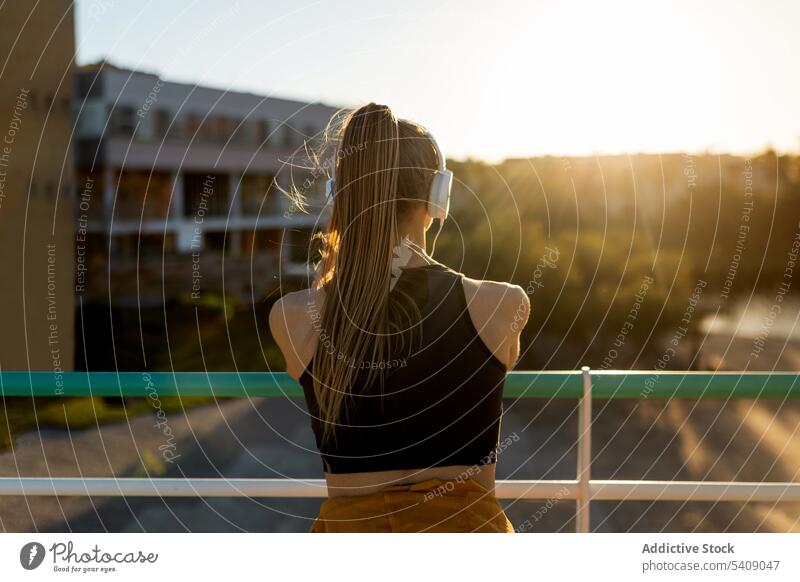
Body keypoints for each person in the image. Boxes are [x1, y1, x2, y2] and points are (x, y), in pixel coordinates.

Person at [269, 102, 529, 532]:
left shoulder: (293, 317)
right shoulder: (502, 305)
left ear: (341, 195)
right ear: (438, 196)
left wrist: (337, 257)